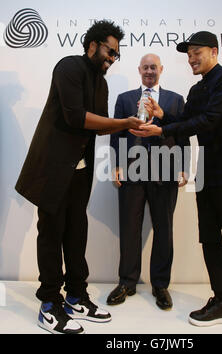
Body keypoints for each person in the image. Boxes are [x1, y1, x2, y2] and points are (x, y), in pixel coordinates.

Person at [130, 32, 222, 333]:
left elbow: (211, 119)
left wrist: (162, 130)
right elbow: (185, 121)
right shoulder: (196, 91)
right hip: (207, 174)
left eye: (197, 52)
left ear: (214, 51)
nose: (191, 59)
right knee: (209, 240)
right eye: (188, 54)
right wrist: (161, 117)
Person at [15, 20, 142, 334]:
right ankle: (49, 303)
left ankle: (75, 296)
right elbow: (75, 116)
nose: (112, 59)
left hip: (81, 171)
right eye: (109, 52)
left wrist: (124, 125)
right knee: (51, 234)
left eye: (116, 55)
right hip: (52, 170)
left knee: (76, 232)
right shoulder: (68, 67)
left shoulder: (101, 83)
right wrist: (124, 121)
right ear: (92, 45)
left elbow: (98, 126)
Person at [107, 54, 190, 310]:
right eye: (146, 67)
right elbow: (116, 134)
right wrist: (117, 165)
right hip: (132, 170)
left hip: (165, 171)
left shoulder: (176, 100)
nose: (150, 71)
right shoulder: (124, 99)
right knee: (129, 227)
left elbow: (184, 132)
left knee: (164, 229)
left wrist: (184, 167)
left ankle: (160, 285)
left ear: (161, 70)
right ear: (139, 70)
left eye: (154, 67)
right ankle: (127, 282)